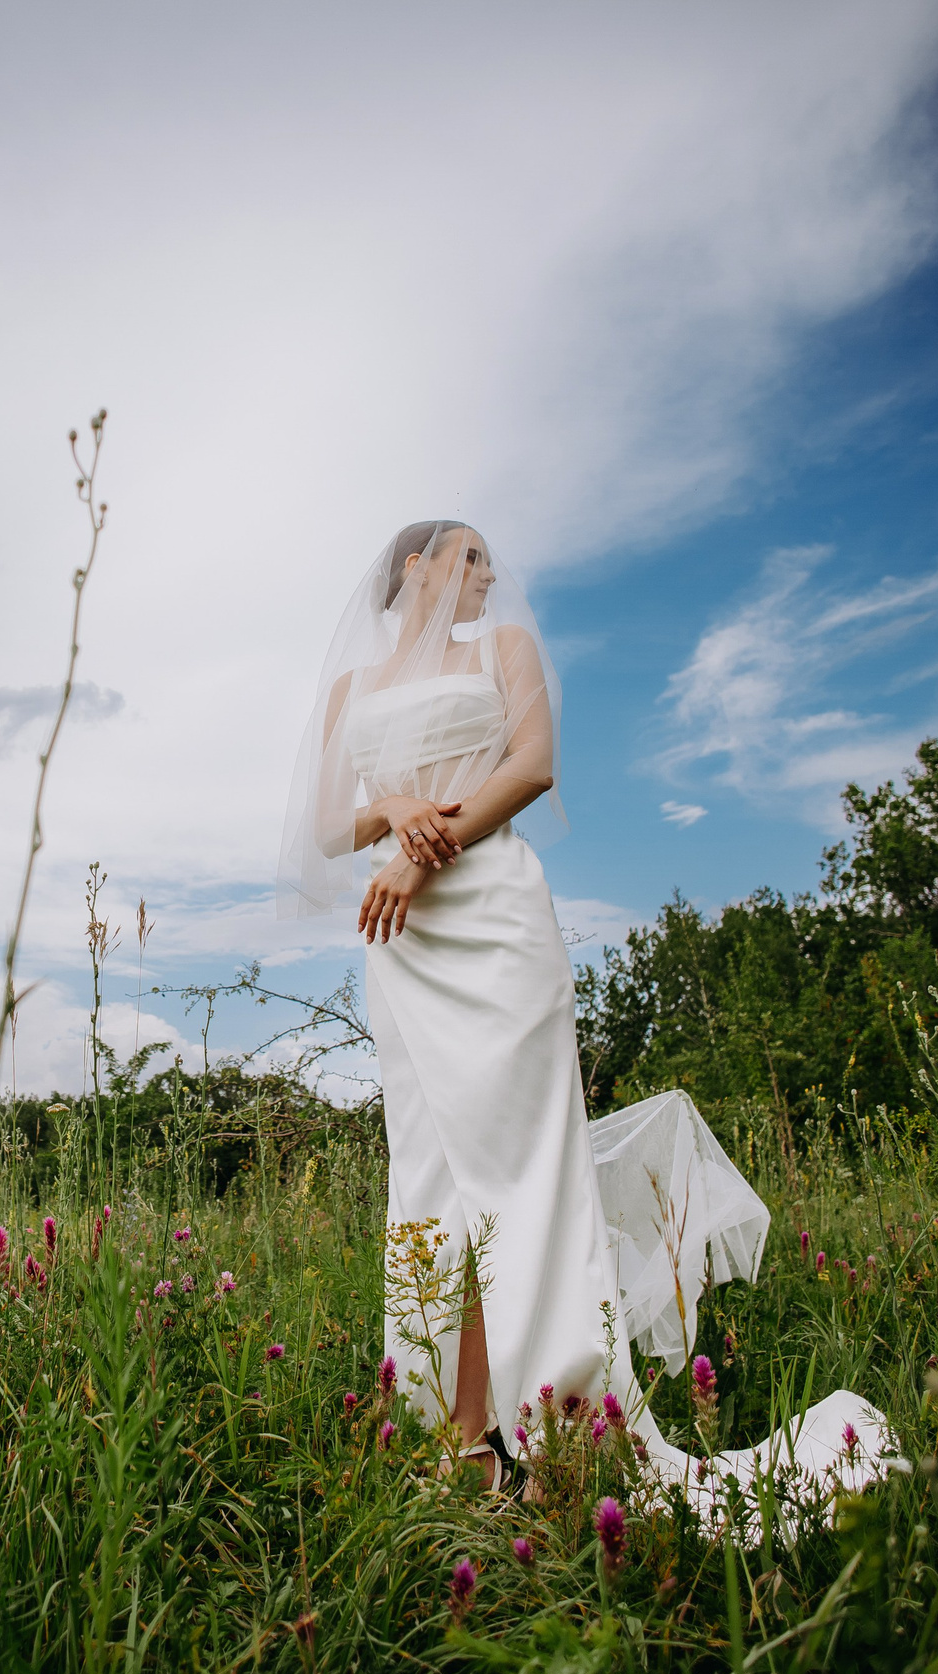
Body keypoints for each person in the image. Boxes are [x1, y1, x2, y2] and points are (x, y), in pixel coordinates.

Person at [277, 519, 898, 1516]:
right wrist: (391, 807)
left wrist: (418, 849)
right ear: (415, 567)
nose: (489, 574)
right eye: (470, 556)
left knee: (522, 1174)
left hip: (493, 918)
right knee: (431, 1179)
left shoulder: (502, 652)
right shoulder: (352, 690)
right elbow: (318, 827)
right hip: (404, 947)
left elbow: (529, 766)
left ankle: (555, 1432)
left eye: (488, 560)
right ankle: (458, 1436)